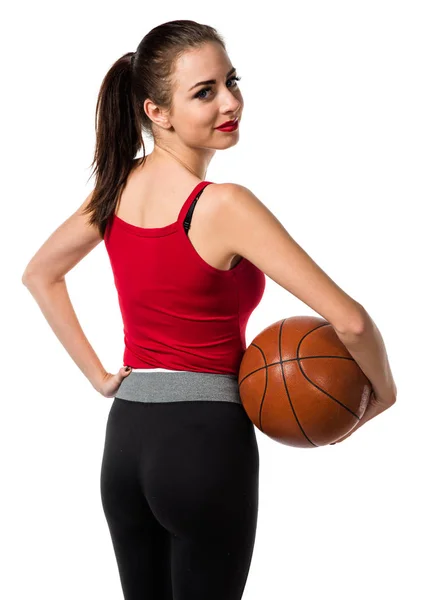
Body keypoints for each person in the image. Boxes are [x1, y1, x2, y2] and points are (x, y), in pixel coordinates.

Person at [21, 19, 397, 600]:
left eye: (231, 81)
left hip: (125, 444)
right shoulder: (222, 206)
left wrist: (102, 378)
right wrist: (383, 395)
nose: (230, 102)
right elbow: (350, 321)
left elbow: (40, 274)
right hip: (203, 445)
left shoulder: (115, 191)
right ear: (158, 111)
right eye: (205, 92)